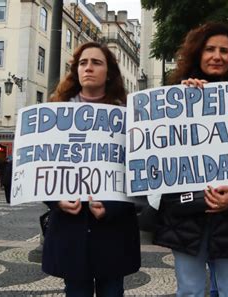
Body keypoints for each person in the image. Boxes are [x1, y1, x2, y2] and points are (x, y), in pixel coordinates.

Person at [152, 22, 228, 297]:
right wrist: (182, 99)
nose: (217, 56)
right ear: (198, 53)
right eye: (210, 49)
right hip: (186, 217)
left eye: (224, 50)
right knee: (189, 291)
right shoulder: (172, 98)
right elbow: (158, 153)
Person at [41, 42, 141, 297]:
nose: (89, 68)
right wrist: (56, 201)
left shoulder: (129, 116)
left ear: (109, 72)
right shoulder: (54, 113)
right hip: (71, 230)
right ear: (76, 71)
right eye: (83, 63)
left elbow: (138, 171)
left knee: (111, 290)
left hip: (112, 230)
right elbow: (39, 169)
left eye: (97, 62)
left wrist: (113, 206)